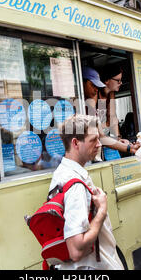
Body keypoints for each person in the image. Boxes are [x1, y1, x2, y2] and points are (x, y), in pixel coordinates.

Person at [48, 114, 124, 270]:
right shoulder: (75, 185)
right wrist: (102, 211)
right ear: (75, 143)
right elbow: (76, 249)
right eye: (93, 140)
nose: (99, 144)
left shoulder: (61, 174)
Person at [82, 66, 139, 157]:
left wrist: (117, 138)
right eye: (118, 80)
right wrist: (128, 148)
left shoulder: (109, 94)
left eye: (97, 86)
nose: (96, 89)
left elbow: (112, 117)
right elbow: (100, 135)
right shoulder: (92, 97)